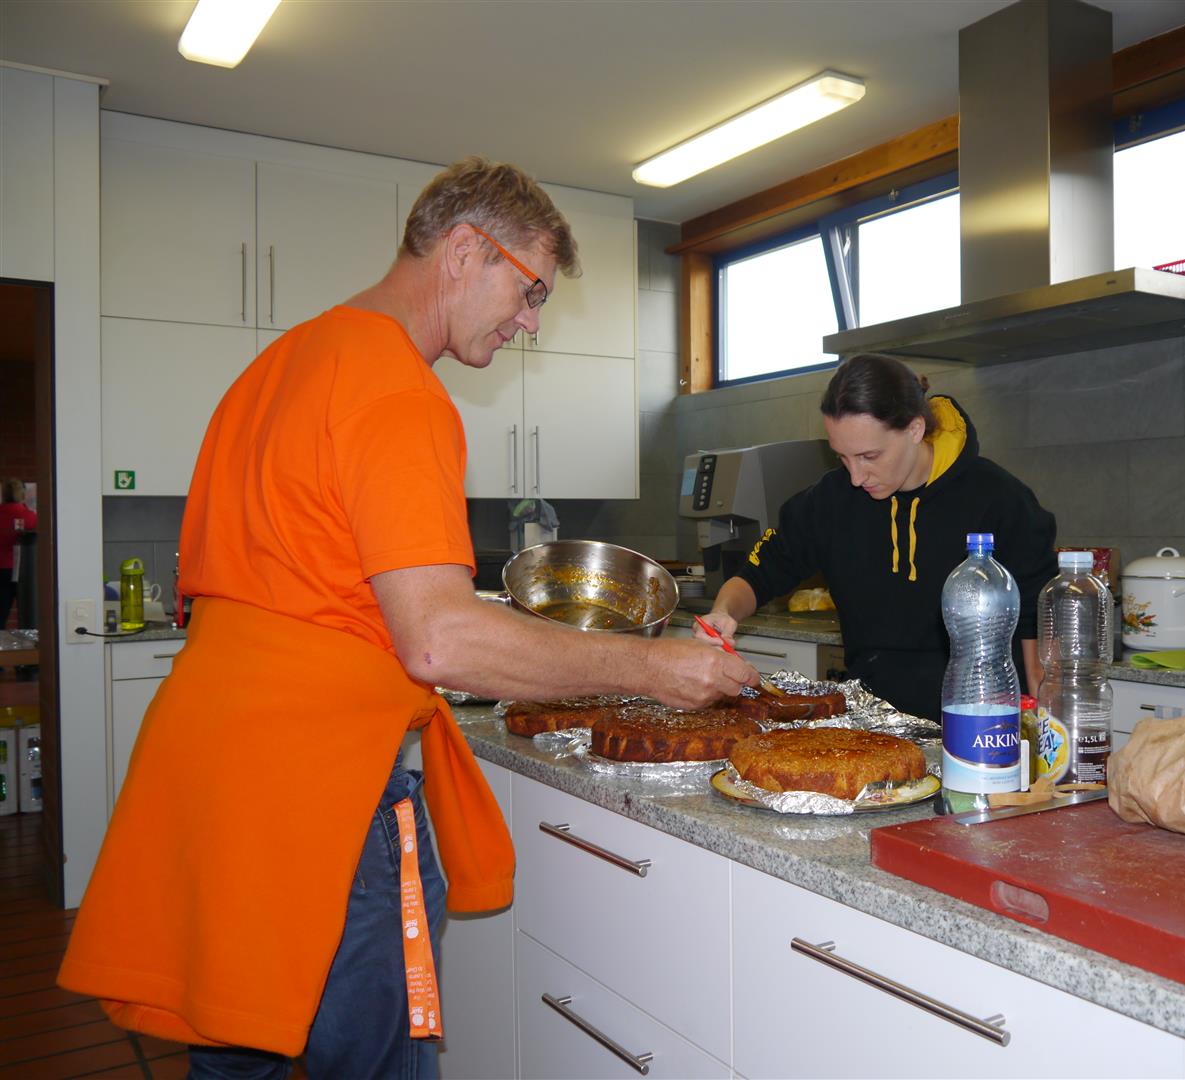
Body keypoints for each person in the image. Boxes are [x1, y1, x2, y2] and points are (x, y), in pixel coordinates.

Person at [59, 157, 757, 1079]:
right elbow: (440, 639)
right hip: (320, 789)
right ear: (465, 251)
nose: (531, 321)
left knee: (236, 1057)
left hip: (211, 770)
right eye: (530, 290)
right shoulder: (397, 390)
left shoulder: (280, 365)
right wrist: (656, 667)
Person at [697, 353, 1057, 721]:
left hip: (978, 722)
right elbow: (761, 571)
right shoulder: (830, 501)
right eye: (842, 457)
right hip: (871, 724)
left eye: (869, 456)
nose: (856, 477)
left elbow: (1039, 620)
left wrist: (1044, 721)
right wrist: (723, 613)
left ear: (914, 430)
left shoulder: (998, 499)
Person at [0, 479, 37, 631]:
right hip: (25, 571)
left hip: (1, 569)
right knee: (30, 616)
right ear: (22, 494)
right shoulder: (30, 516)